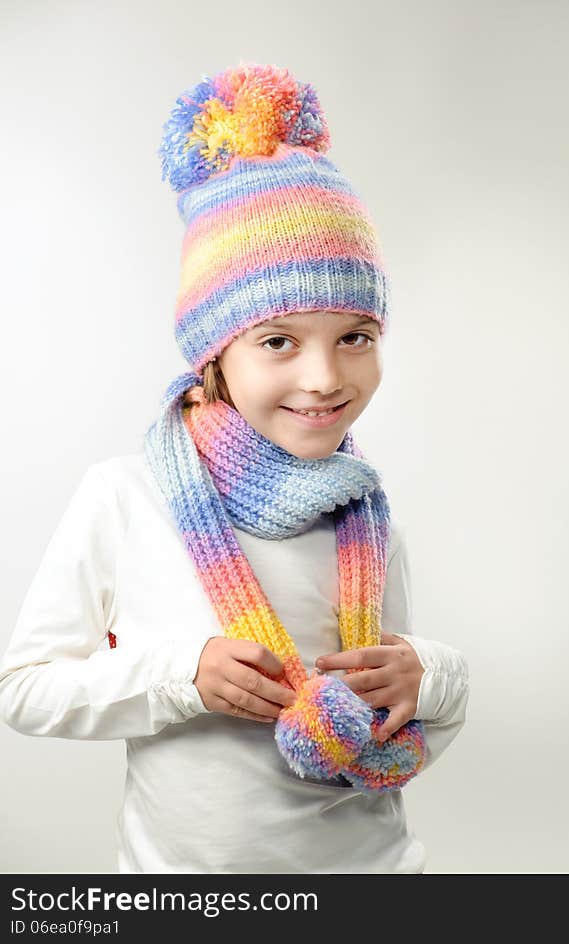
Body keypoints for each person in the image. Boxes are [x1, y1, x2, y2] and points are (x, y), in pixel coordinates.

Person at [0, 62, 469, 874]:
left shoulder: (362, 511)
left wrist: (435, 678)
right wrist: (182, 675)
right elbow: (25, 688)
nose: (325, 376)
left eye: (355, 335)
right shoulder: (127, 498)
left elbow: (397, 714)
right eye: (279, 340)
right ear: (217, 351)